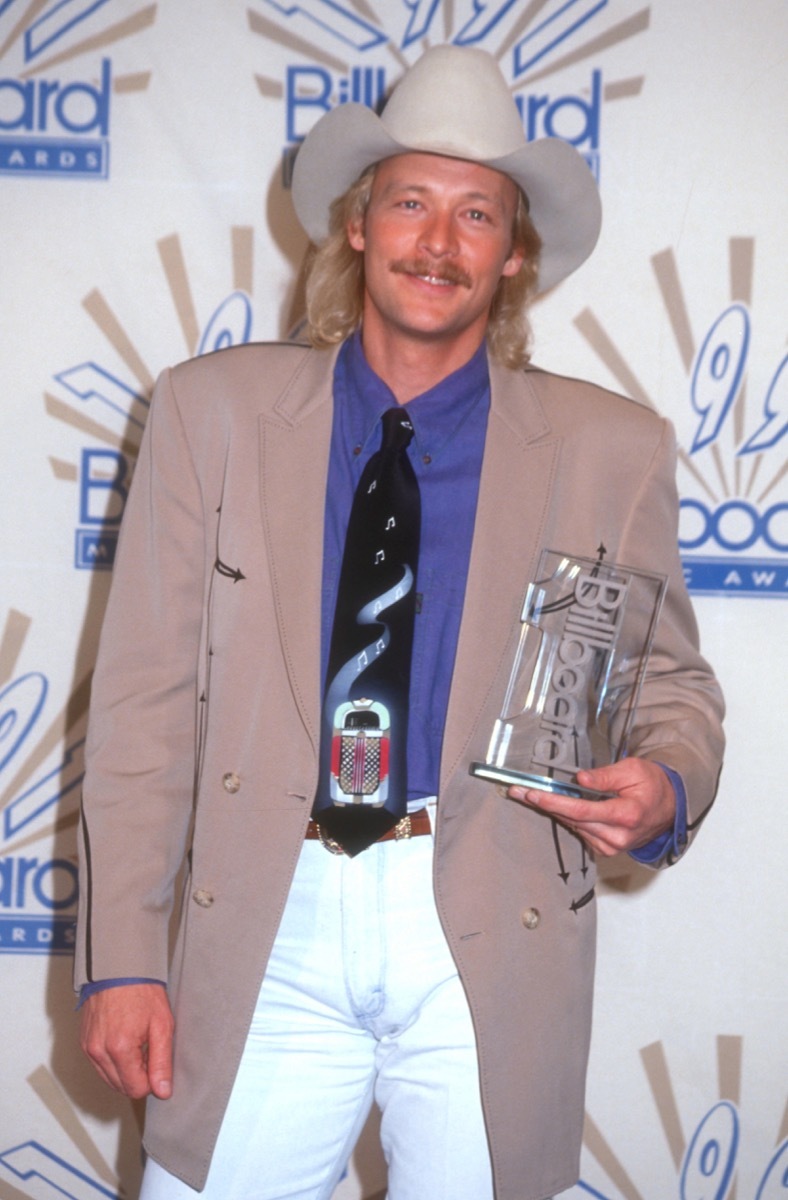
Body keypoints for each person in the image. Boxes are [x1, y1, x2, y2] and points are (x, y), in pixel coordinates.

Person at [76, 44, 724, 1200]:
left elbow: (669, 685)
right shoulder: (207, 415)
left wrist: (666, 779)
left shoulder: (607, 451)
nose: (439, 241)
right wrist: (122, 957)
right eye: (411, 203)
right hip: (263, 926)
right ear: (358, 227)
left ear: (513, 254)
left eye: (477, 214)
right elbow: (142, 704)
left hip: (485, 917)